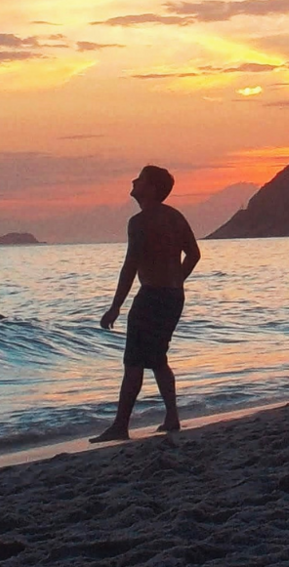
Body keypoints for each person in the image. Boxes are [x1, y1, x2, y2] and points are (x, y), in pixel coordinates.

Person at [91, 165, 201, 442]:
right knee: (158, 358)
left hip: (151, 295)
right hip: (174, 297)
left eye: (139, 179)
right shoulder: (175, 217)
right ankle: (172, 417)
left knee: (134, 362)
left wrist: (115, 306)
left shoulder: (139, 222)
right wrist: (177, 279)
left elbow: (130, 266)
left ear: (150, 188)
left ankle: (120, 425)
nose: (133, 181)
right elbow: (194, 254)